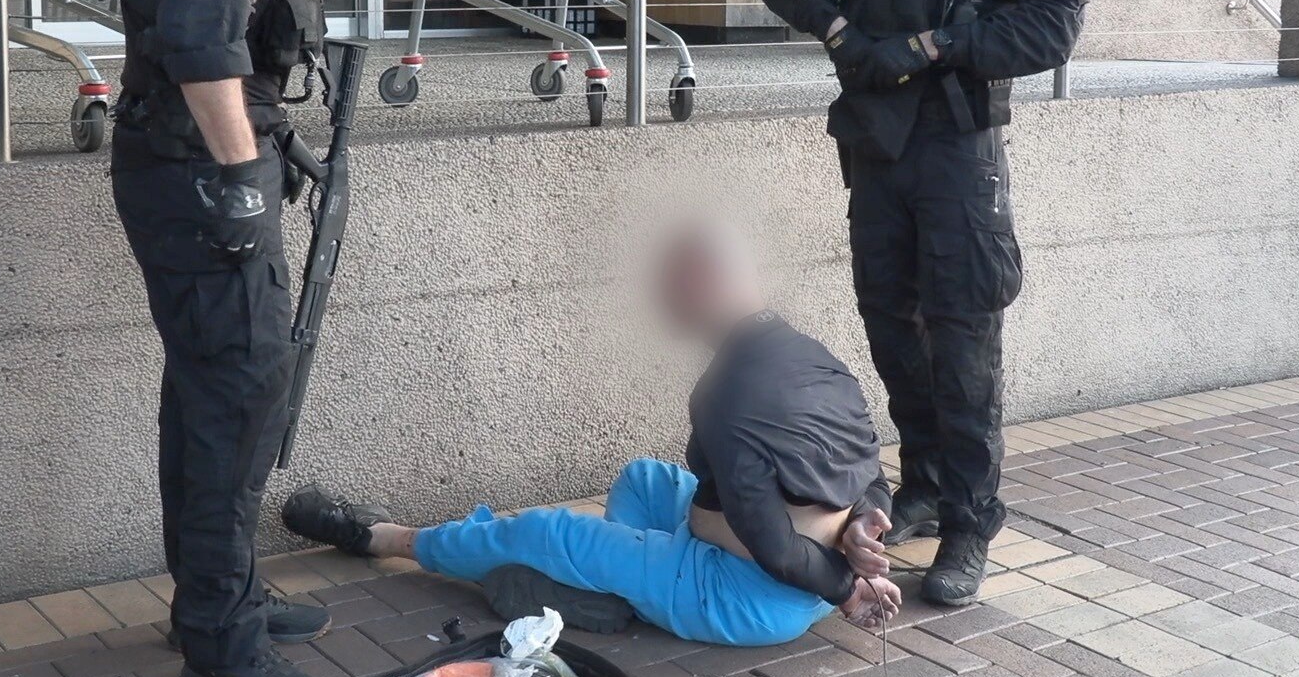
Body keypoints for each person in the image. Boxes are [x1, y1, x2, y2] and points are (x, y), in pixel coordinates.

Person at [68, 0, 404, 677]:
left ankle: (220, 595)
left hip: (184, 158)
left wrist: (274, 143)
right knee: (239, 398)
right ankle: (222, 636)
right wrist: (243, 181)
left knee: (212, 392)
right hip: (195, 166)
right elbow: (200, 44)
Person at [748, 0, 1088, 607]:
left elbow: (1053, 27)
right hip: (876, 148)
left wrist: (935, 45)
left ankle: (973, 517)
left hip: (958, 152)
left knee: (964, 333)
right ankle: (927, 484)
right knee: (890, 320)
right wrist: (840, 34)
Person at [280, 223, 904, 648]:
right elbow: (871, 469)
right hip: (797, 571)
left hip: (749, 596)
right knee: (643, 478)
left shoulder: (727, 397)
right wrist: (863, 521)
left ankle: (385, 539)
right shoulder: (815, 356)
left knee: (546, 531)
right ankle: (610, 591)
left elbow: (770, 543)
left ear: (696, 289)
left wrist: (849, 590)